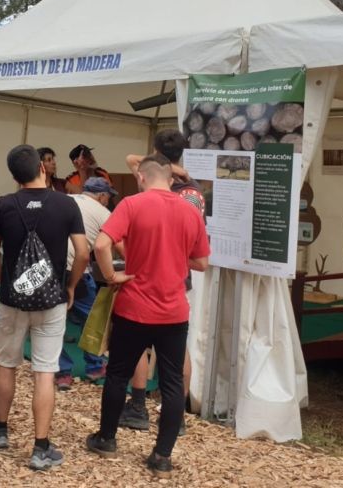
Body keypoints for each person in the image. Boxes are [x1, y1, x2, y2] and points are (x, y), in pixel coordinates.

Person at [85, 155, 210, 479]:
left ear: (141, 177)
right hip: (173, 311)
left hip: (134, 307)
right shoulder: (189, 210)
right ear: (170, 179)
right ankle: (162, 457)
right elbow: (202, 263)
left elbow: (101, 244)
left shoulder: (131, 205)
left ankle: (107, 439)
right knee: (171, 384)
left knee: (116, 375)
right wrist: (175, 256)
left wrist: (112, 276)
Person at [0, 145, 89, 471]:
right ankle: (41, 447)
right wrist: (70, 286)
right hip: (51, 301)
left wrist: (5, 283)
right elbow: (82, 253)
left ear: (14, 176)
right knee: (45, 370)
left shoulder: (4, 205)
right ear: (43, 168)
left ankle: (0, 430)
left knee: (6, 362)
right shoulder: (66, 203)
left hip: (13, 301)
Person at [121, 129, 206, 433]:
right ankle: (177, 415)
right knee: (177, 348)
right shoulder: (194, 190)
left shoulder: (152, 182)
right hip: (180, 277)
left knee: (138, 345)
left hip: (147, 272)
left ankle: (138, 405)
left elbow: (132, 159)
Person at [55, 177, 114, 390]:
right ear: (101, 196)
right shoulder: (102, 212)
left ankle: (61, 371)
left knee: (53, 321)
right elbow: (109, 246)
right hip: (76, 270)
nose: (108, 201)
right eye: (108, 197)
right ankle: (95, 366)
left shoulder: (63, 200)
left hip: (49, 268)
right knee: (93, 318)